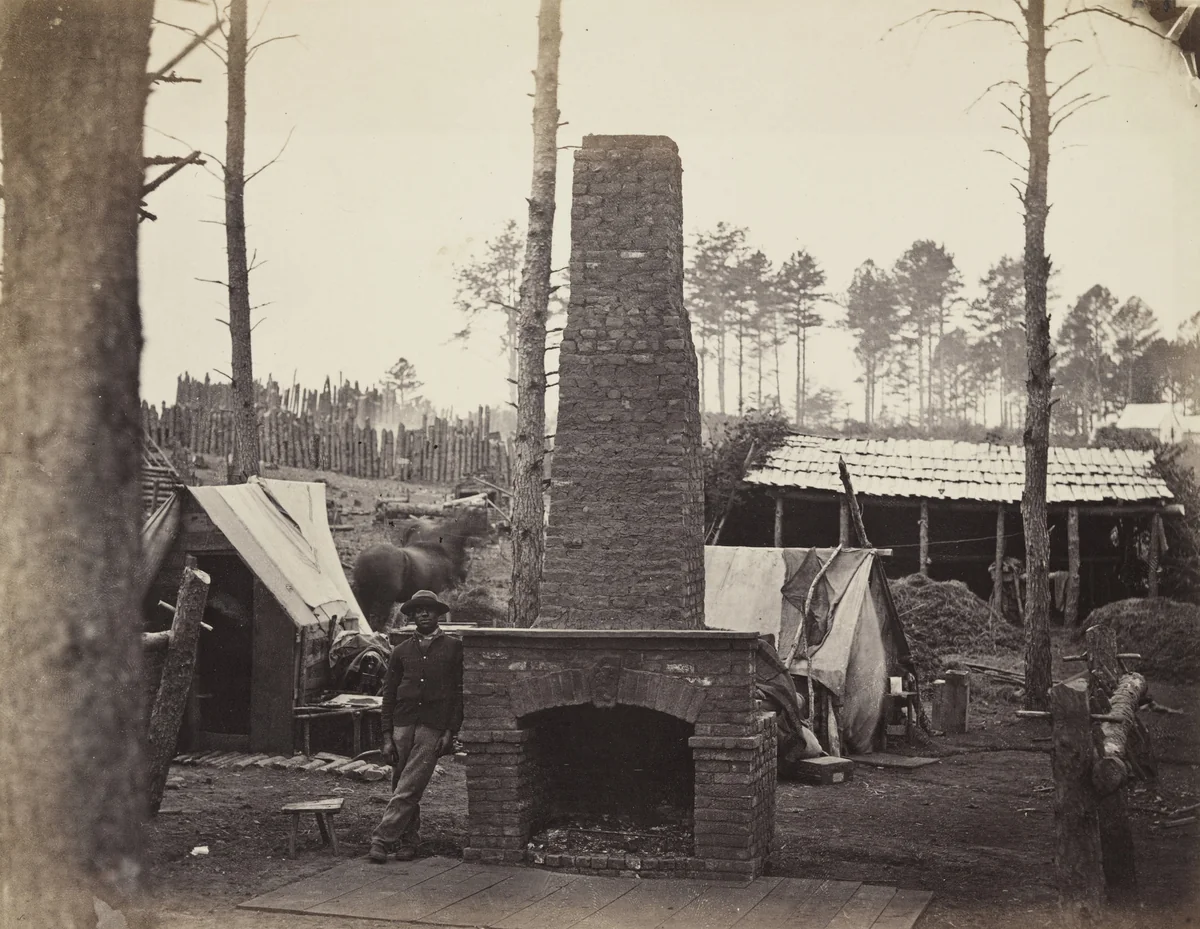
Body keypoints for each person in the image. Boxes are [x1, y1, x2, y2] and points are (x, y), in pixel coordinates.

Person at [368, 589, 463, 863]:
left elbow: (458, 694)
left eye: (428, 609)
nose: (423, 614)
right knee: (400, 783)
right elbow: (388, 695)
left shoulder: (454, 648)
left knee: (410, 785)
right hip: (402, 723)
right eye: (417, 610)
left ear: (438, 614)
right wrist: (386, 736)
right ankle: (409, 841)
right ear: (411, 616)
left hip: (432, 726)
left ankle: (381, 840)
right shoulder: (400, 651)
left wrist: (450, 732)